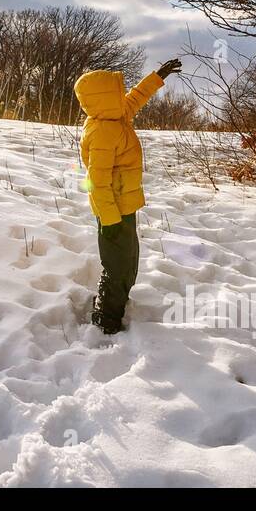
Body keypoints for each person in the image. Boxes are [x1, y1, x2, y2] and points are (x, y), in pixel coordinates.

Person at [73, 58, 183, 335]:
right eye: (115, 91)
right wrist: (109, 220)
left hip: (124, 205)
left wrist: (157, 77)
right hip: (113, 211)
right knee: (118, 265)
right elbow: (97, 183)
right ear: (104, 98)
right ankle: (106, 318)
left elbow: (135, 98)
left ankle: (116, 301)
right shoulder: (102, 132)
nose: (122, 95)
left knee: (128, 260)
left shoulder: (115, 116)